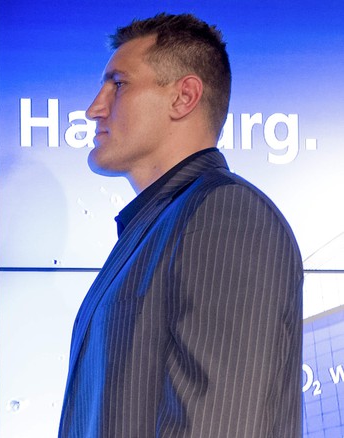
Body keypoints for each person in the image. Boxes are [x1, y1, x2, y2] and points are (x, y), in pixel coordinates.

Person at [59, 13, 302, 437]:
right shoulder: (165, 224)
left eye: (118, 84)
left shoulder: (224, 216)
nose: (94, 108)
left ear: (183, 97)